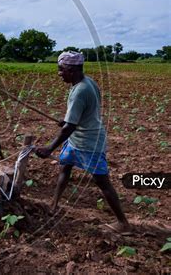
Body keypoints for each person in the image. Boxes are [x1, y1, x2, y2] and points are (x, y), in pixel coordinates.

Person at [35, 51, 131, 234]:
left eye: (61, 69)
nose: (59, 73)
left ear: (72, 70)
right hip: (77, 138)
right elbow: (80, 116)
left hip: (89, 142)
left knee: (103, 182)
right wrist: (69, 121)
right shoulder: (86, 82)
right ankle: (54, 204)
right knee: (65, 167)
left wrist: (49, 148)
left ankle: (123, 223)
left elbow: (68, 128)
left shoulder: (80, 91)